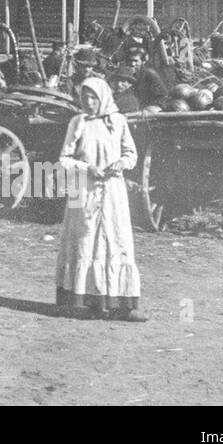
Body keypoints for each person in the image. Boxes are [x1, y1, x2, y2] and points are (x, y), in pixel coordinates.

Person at [55, 79, 146, 321]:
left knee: (116, 239)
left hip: (113, 190)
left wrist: (121, 164)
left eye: (94, 97)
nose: (89, 102)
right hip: (83, 188)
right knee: (84, 240)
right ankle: (82, 302)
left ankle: (121, 305)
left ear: (104, 97)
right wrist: (87, 168)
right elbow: (64, 158)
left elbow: (131, 154)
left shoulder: (117, 122)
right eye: (85, 97)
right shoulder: (77, 122)